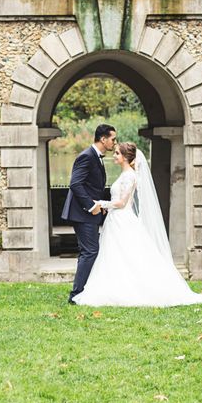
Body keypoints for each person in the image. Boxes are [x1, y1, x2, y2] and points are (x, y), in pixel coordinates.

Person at [72, 142, 202, 307]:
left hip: (122, 219)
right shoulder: (125, 174)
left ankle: (129, 289)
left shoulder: (130, 176)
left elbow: (122, 203)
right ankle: (114, 286)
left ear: (125, 157)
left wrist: (101, 203)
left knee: (126, 254)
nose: (114, 155)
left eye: (117, 153)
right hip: (116, 220)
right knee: (115, 254)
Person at [62, 124, 117, 304]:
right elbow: (75, 184)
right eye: (112, 139)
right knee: (90, 251)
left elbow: (93, 186)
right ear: (103, 139)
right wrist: (91, 206)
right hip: (82, 213)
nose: (114, 143)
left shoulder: (96, 157)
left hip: (89, 213)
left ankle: (84, 291)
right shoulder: (86, 156)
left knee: (89, 251)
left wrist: (102, 204)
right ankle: (76, 294)